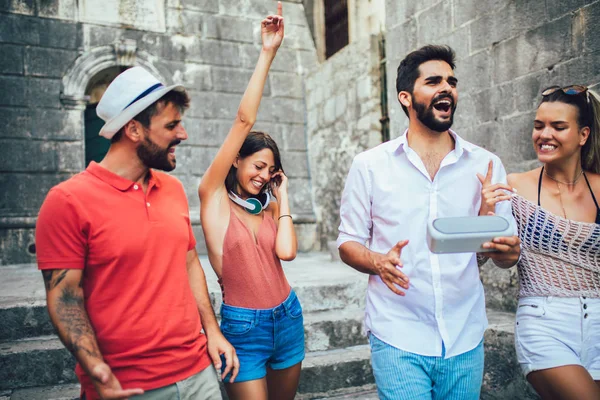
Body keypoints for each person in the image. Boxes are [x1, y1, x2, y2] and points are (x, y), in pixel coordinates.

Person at [35, 65, 237, 400]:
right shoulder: (66, 202)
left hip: (198, 375)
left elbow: (189, 264)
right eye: (171, 125)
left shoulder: (172, 190)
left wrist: (212, 332)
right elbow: (64, 296)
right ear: (134, 130)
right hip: (128, 387)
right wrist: (96, 368)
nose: (183, 134)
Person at [336, 45, 521, 400]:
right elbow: (348, 243)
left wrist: (506, 251)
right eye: (433, 81)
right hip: (398, 332)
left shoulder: (485, 164)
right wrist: (377, 261)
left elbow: (501, 254)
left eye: (451, 81)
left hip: (464, 335)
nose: (447, 88)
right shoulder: (371, 165)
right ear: (406, 97)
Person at [198, 3, 303, 400]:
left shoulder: (270, 205)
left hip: (289, 317)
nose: (262, 176)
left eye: (270, 171)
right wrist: (267, 53)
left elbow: (287, 253)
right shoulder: (213, 199)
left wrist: (284, 195)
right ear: (237, 160)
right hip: (244, 328)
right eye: (257, 165)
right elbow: (244, 121)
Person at [484, 85, 600, 399]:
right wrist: (487, 212)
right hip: (544, 321)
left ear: (583, 134)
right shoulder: (514, 186)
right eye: (539, 126)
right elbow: (499, 257)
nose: (544, 134)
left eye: (558, 127)